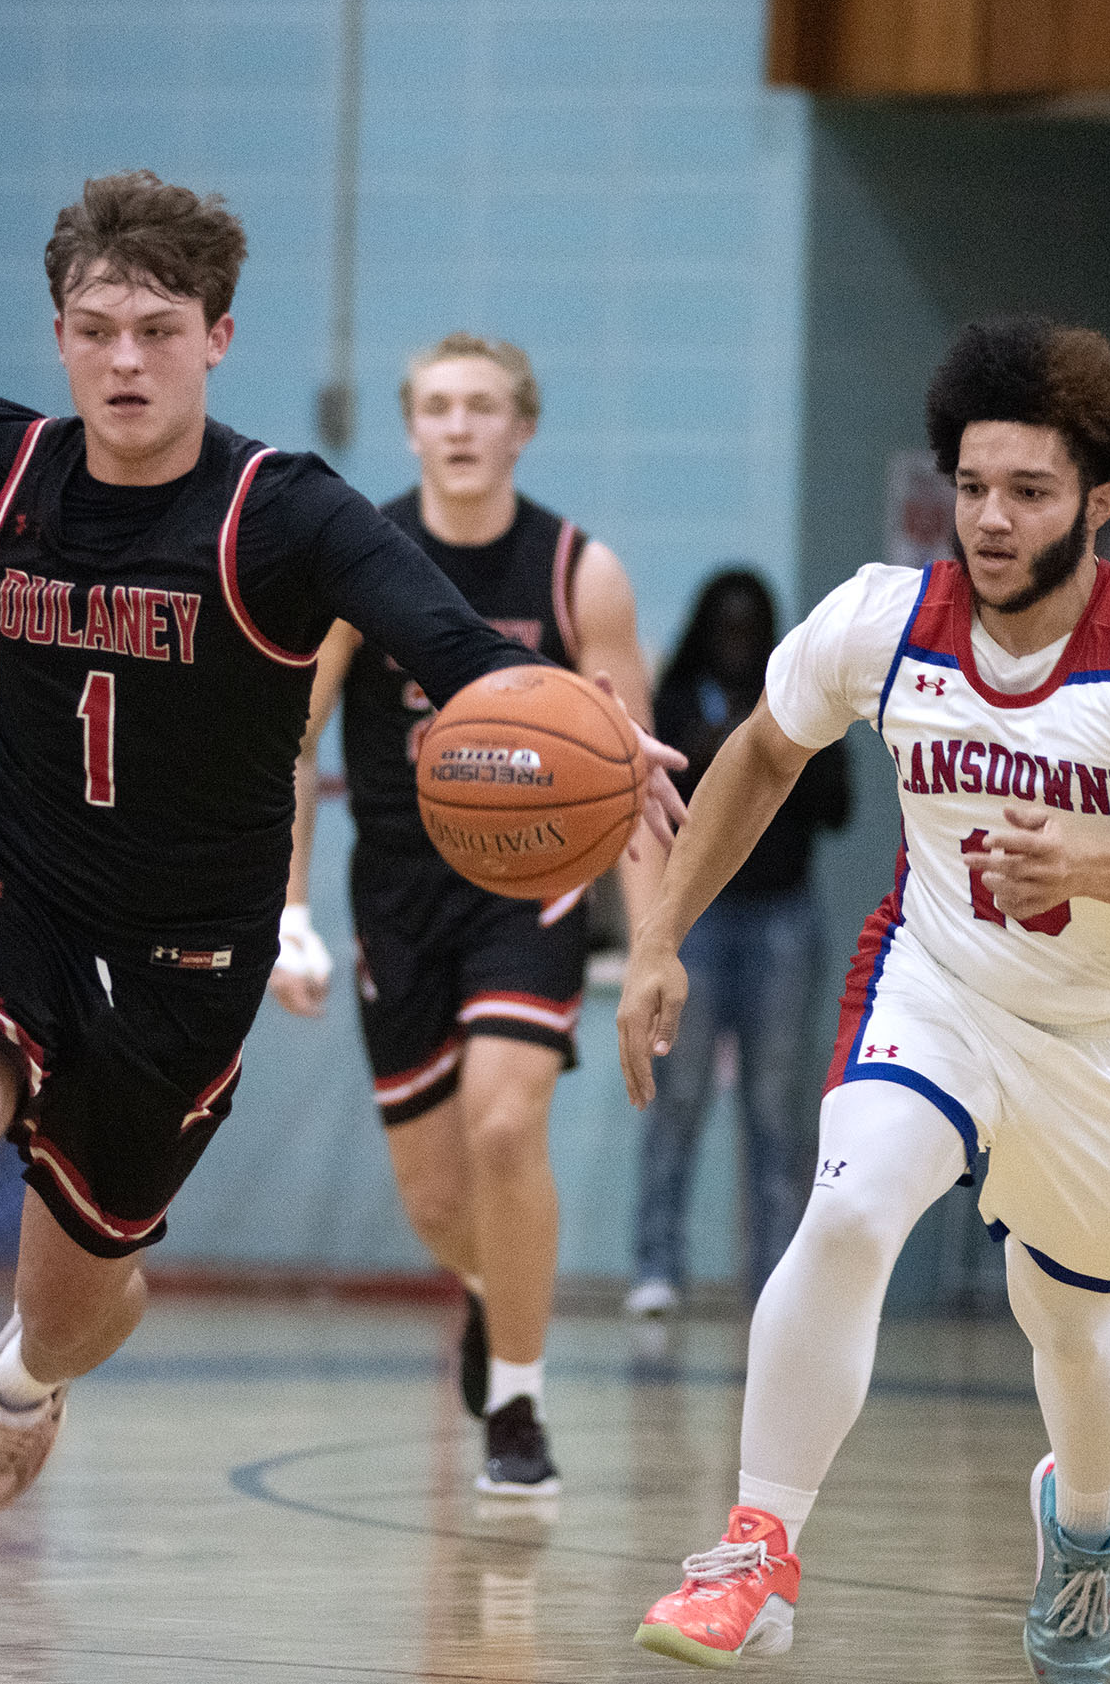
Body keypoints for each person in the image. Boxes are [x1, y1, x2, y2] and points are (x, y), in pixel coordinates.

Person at [0, 168, 684, 1674]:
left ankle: (28, 1378)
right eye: (97, 329)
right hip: (9, 892)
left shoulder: (282, 510)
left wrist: (581, 734)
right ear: (60, 336)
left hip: (184, 959)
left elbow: (452, 643)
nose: (126, 359)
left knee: (78, 1296)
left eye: (160, 329)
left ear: (217, 336)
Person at [618, 318, 1110, 1679]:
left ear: (1098, 500)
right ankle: (756, 1551)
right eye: (971, 486)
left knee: (1070, 1323)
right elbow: (762, 753)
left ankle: (1082, 1532)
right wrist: (661, 931)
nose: (990, 517)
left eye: (1028, 490)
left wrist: (1088, 860)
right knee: (851, 1207)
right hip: (938, 983)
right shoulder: (882, 620)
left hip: (1106, 1038)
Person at [269, 333, 659, 1496]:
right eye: (438, 406)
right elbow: (288, 744)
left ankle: (520, 1407)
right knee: (440, 1200)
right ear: (410, 428)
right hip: (397, 898)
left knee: (503, 1126)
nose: (459, 425)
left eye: (482, 406)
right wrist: (287, 909)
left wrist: (654, 944)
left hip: (529, 893)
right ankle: (496, 1288)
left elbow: (639, 780)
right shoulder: (356, 559)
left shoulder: (580, 571)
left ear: (521, 427)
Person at [626, 569, 850, 1316]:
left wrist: (769, 762)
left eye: (749, 626)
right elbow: (650, 802)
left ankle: (776, 1279)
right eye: (723, 624)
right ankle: (657, 1266)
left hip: (783, 918)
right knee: (677, 1097)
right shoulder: (677, 698)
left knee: (777, 1110)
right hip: (699, 921)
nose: (736, 638)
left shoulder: (793, 701)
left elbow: (839, 806)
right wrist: (707, 751)